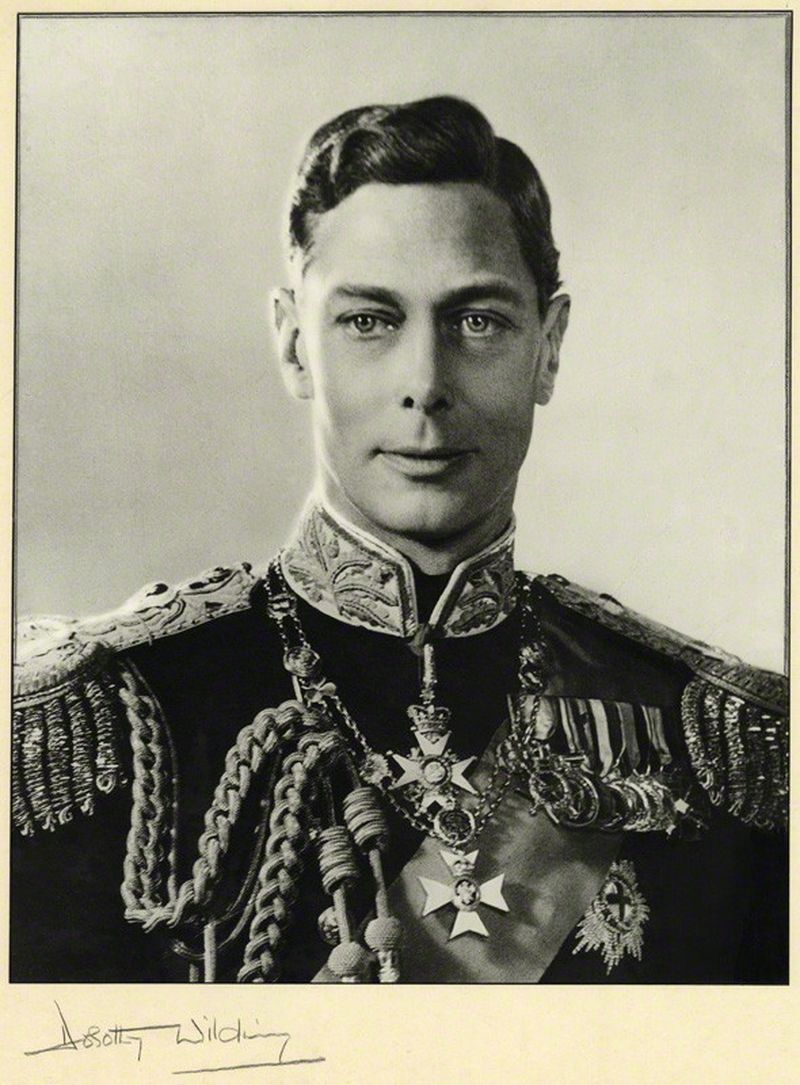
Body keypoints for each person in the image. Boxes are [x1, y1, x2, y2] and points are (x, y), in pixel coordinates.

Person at [11, 95, 787, 984]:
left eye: (478, 321)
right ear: (294, 345)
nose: (426, 382)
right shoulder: (104, 724)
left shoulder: (717, 743)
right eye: (370, 321)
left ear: (549, 346)